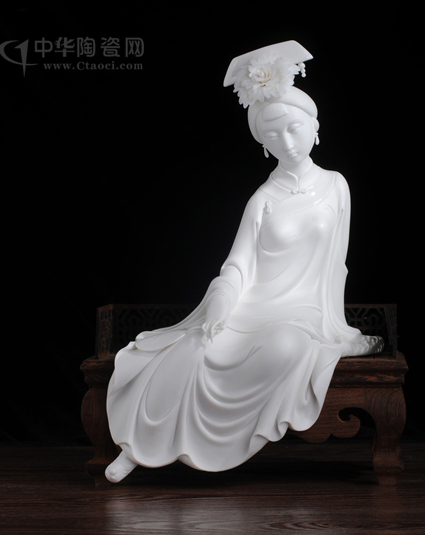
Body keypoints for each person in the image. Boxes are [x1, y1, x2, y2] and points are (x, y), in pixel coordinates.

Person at [104, 41, 382, 483]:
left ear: (314, 126)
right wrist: (220, 302)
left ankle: (197, 443)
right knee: (192, 350)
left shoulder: (336, 187)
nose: (286, 142)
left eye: (293, 128)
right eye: (271, 136)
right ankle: (137, 448)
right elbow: (236, 265)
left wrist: (337, 328)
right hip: (250, 311)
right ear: (262, 144)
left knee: (287, 346)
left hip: (304, 316)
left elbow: (336, 266)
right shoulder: (263, 199)